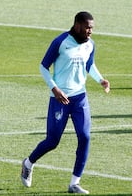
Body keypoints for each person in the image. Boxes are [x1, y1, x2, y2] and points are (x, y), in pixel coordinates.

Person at [21, 11, 110, 194]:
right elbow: (43, 66)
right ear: (77, 25)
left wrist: (100, 80)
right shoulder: (60, 42)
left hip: (80, 98)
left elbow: (89, 65)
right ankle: (28, 163)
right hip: (60, 99)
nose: (90, 31)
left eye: (92, 28)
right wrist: (54, 88)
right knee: (53, 141)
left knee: (84, 137)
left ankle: (74, 183)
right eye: (87, 27)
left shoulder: (90, 45)